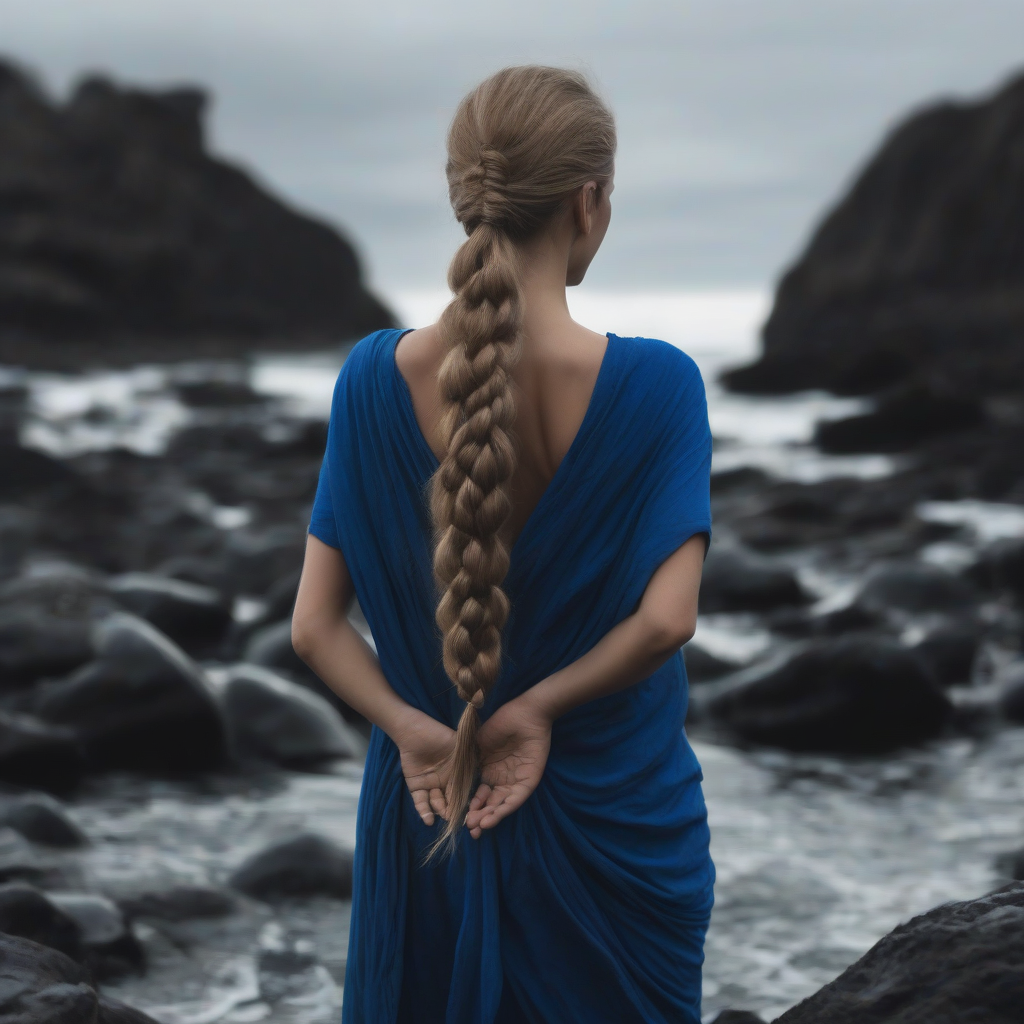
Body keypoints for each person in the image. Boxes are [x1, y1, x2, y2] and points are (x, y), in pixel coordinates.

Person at [292, 65, 713, 1024]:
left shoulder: (370, 381)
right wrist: (539, 709)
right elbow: (668, 619)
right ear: (590, 200)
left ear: (463, 197)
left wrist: (411, 732)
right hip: (616, 822)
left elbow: (314, 630)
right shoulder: (658, 388)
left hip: (430, 811)